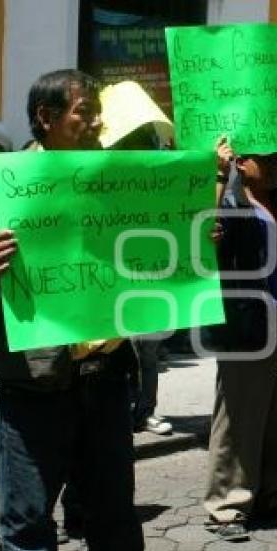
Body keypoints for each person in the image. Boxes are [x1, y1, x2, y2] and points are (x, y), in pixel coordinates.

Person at [0, 69, 143, 551]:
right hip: (35, 386)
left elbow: (142, 256)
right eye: (84, 113)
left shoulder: (112, 181)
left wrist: (191, 243)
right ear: (45, 118)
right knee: (29, 535)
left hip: (107, 379)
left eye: (97, 116)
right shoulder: (1, 189)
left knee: (116, 527)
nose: (95, 125)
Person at [203, 139, 277, 541]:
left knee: (274, 414)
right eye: (265, 159)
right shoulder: (230, 202)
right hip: (243, 323)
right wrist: (219, 175)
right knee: (238, 415)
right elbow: (200, 230)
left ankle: (268, 493)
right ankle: (226, 506)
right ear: (241, 161)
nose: (273, 166)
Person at [99, 80, 176, 437]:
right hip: (113, 280)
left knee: (146, 351)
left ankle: (144, 411)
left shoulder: (156, 171)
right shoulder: (102, 172)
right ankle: (125, 409)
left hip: (148, 276)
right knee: (122, 352)